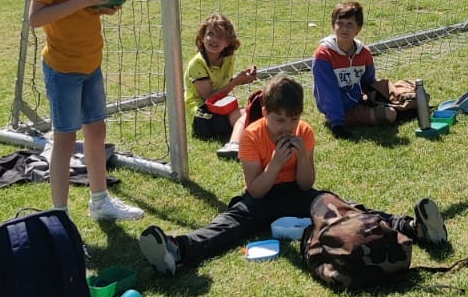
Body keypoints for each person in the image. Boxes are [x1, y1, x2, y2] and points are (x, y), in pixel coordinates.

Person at [139, 74, 445, 273]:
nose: (286, 127)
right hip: (262, 195)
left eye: (292, 119)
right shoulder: (251, 135)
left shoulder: (304, 133)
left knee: (343, 207)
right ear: (265, 115)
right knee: (229, 224)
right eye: (278, 120)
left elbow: (306, 184)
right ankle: (177, 249)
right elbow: (255, 190)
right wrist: (274, 165)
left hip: (298, 194)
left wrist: (300, 158)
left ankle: (412, 228)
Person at [28, 0, 145, 224]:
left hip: (90, 65)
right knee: (65, 139)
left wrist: (98, 8)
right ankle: (60, 215)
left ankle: (100, 201)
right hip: (63, 70)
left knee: (96, 131)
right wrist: (83, 1)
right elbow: (35, 18)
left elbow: (74, 11)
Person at [312, 0, 428, 134]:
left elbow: (369, 82)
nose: (344, 28)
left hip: (360, 100)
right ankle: (402, 113)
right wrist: (337, 123)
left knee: (406, 93)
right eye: (340, 23)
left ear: (358, 28)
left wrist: (378, 97)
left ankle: (407, 105)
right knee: (388, 114)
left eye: (350, 24)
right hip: (342, 110)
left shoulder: (364, 53)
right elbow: (328, 93)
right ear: (333, 26)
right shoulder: (324, 55)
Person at [185, 12, 258, 159]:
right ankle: (233, 144)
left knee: (257, 111)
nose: (213, 40)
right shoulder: (197, 63)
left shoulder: (228, 58)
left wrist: (245, 77)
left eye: (220, 36)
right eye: (210, 34)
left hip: (220, 107)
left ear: (228, 42)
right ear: (202, 37)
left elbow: (224, 87)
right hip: (201, 115)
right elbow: (209, 98)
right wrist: (236, 81)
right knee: (248, 114)